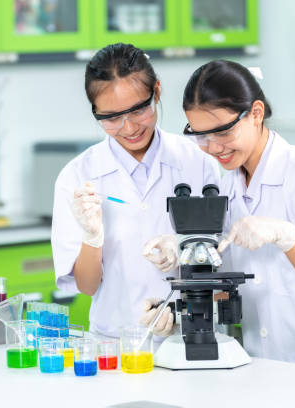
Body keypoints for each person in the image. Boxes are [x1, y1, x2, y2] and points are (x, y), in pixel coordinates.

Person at [143, 59, 295, 372]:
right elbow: (231, 286)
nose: (212, 147)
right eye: (200, 135)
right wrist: (174, 305)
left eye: (222, 131)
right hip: (263, 363)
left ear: (256, 114)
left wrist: (288, 237)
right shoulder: (229, 187)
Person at [51, 43, 219, 339]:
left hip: (190, 336)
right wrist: (92, 238)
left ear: (156, 92)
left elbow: (223, 264)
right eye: (112, 117)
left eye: (139, 109)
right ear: (95, 112)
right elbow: (87, 286)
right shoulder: (77, 176)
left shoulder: (199, 161)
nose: (129, 128)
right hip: (115, 344)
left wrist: (186, 251)